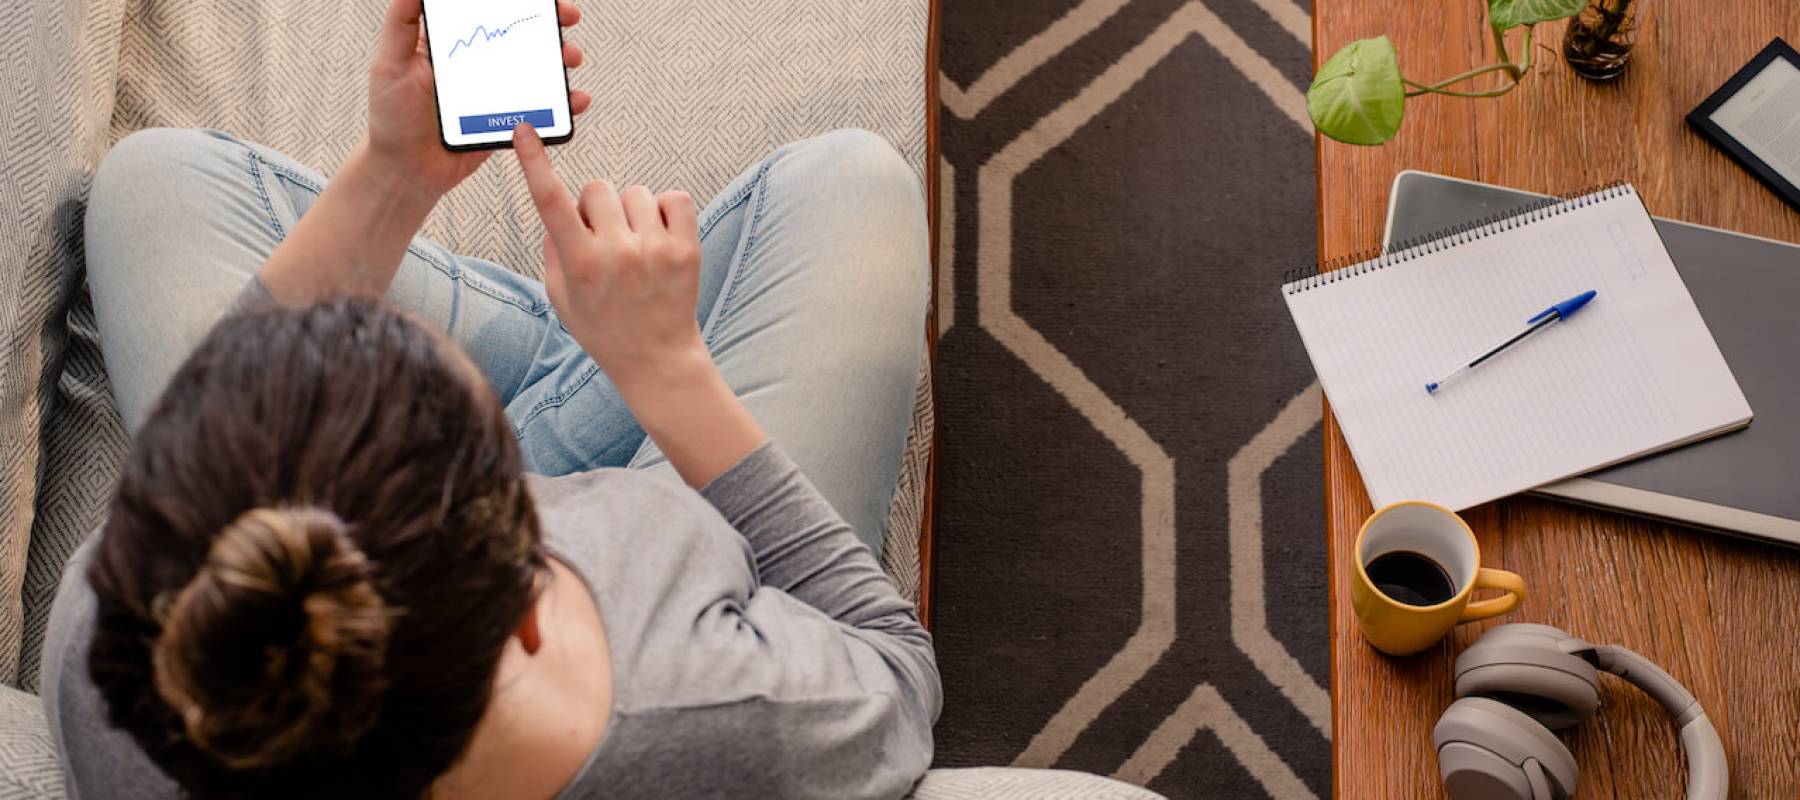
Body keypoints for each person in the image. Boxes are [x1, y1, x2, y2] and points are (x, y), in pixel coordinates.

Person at [38, 0, 938, 797]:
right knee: (851, 187)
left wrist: (395, 176)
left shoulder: (126, 653)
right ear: (531, 615)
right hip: (674, 496)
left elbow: (226, 402)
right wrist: (666, 372)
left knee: (152, 184)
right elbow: (892, 670)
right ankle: (590, 356)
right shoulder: (711, 714)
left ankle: (575, 353)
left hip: (450, 550)